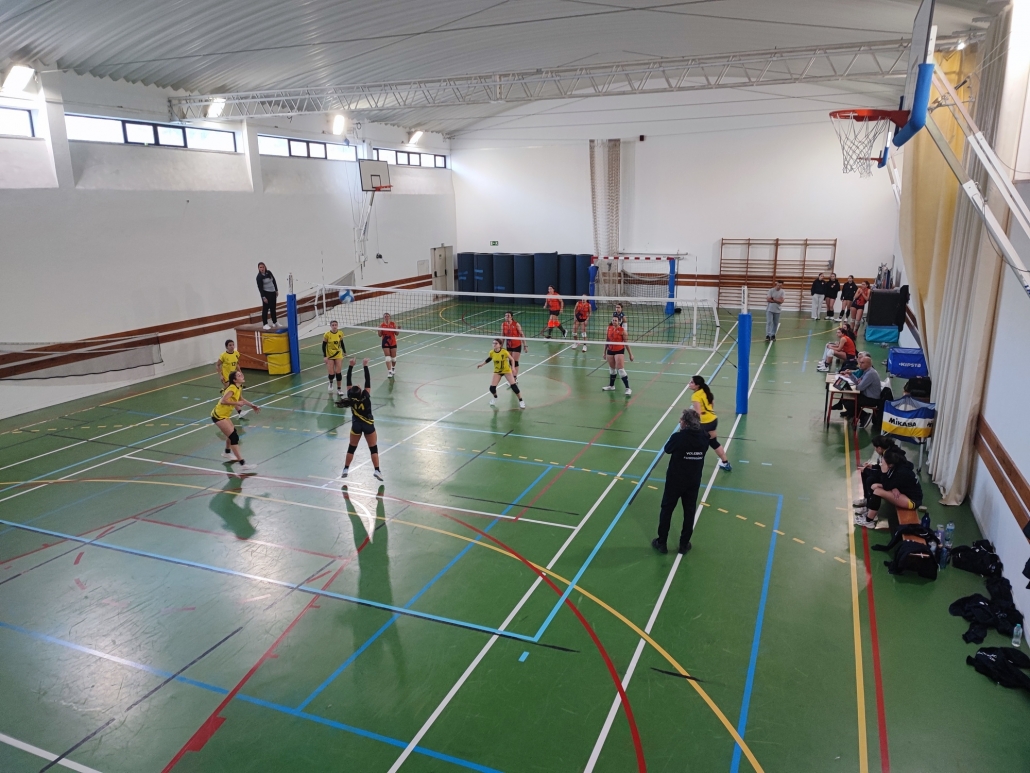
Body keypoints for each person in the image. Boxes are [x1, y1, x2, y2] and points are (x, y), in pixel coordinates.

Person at [652, 408, 709, 555]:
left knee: (667, 510)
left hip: (675, 481)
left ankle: (662, 543)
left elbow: (667, 449)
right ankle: (684, 545)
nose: (679, 421)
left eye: (681, 420)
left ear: (686, 423)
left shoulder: (678, 437)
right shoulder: (704, 436)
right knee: (689, 512)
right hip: (693, 481)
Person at [855, 446, 923, 529]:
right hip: (904, 493)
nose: (881, 464)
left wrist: (884, 473)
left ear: (890, 465)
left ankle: (869, 520)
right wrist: (894, 487)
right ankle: (869, 510)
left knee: (878, 491)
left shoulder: (901, 472)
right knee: (875, 486)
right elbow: (894, 482)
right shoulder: (898, 466)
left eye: (883, 463)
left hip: (912, 501)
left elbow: (887, 485)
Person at [338, 358, 384, 481]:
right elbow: (368, 380)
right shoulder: (365, 396)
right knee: (373, 448)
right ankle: (377, 470)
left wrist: (350, 366)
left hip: (356, 425)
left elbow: (348, 380)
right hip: (368, 425)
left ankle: (345, 469)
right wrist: (365, 366)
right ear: (361, 392)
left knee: (352, 448)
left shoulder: (350, 398)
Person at [212, 370, 260, 472]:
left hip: (225, 415)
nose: (241, 375)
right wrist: (236, 403)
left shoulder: (239, 387)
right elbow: (223, 401)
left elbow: (241, 399)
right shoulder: (232, 388)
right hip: (218, 415)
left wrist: (252, 405)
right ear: (234, 380)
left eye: (241, 374)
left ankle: (227, 452)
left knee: (232, 433)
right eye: (239, 375)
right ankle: (243, 464)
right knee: (234, 437)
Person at [689, 375, 731, 471]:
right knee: (713, 442)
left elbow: (698, 413)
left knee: (695, 443)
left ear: (697, 385)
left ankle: (693, 463)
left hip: (704, 423)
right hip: (713, 419)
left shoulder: (695, 396)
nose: (689, 384)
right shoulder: (705, 391)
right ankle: (725, 463)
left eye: (692, 382)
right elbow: (712, 404)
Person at [853, 435, 898, 515]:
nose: (875, 449)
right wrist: (872, 466)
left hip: (893, 480)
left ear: (879, 448)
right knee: (865, 473)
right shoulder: (887, 451)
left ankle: (870, 508)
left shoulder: (888, 456)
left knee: (870, 480)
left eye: (875, 448)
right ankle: (866, 499)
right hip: (890, 476)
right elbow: (882, 468)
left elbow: (883, 473)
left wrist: (867, 470)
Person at [477, 339, 526, 409]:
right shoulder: (491, 352)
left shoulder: (504, 352)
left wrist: (513, 368)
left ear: (500, 345)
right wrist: (482, 364)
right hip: (497, 371)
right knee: (492, 388)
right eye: (493, 343)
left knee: (514, 387)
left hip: (506, 371)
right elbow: (489, 359)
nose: (494, 344)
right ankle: (495, 397)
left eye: (496, 343)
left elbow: (512, 359)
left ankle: (521, 401)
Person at [837, 352, 882, 425]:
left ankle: (864, 416)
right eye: (860, 362)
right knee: (845, 398)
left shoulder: (870, 373)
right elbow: (858, 382)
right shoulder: (866, 371)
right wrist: (851, 375)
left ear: (869, 364)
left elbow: (859, 387)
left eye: (862, 363)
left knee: (848, 402)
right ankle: (853, 413)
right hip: (866, 395)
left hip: (871, 399)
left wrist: (853, 385)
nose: (860, 364)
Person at [602, 313, 633, 395]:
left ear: (619, 321)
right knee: (612, 369)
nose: (614, 321)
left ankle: (628, 388)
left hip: (619, 350)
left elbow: (626, 343)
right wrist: (604, 352)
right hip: (610, 350)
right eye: (613, 320)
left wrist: (630, 354)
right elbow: (607, 341)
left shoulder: (623, 331)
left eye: (616, 320)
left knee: (620, 369)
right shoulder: (609, 328)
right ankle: (611, 386)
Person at [215, 339, 244, 417]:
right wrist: (220, 375)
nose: (232, 346)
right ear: (226, 347)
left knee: (234, 393)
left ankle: (223, 392)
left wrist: (240, 372)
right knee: (232, 395)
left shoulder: (236, 353)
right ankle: (240, 412)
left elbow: (237, 364)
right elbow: (217, 365)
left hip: (234, 376)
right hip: (226, 377)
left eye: (233, 345)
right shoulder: (223, 355)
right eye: (230, 345)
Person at [501, 312, 528, 380]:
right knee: (510, 361)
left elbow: (522, 334)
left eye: (508, 316)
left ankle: (514, 378)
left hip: (517, 345)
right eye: (506, 316)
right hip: (509, 345)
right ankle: (512, 376)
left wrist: (525, 346)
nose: (507, 317)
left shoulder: (516, 324)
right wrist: (500, 346)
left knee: (515, 362)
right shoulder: (503, 324)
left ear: (511, 317)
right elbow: (502, 336)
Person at [323, 320, 346, 396]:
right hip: (330, 355)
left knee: (338, 372)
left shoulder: (340, 333)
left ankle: (339, 389)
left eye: (335, 325)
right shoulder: (327, 334)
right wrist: (325, 356)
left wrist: (344, 351)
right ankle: (330, 382)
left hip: (338, 354)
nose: (334, 326)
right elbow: (323, 346)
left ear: (337, 325)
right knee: (332, 374)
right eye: (333, 325)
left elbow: (342, 343)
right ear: (330, 326)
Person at [256, 262, 279, 330]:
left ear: (265, 267)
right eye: (260, 267)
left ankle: (275, 322)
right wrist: (263, 297)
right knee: (265, 309)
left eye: (263, 267)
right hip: (266, 294)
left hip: (273, 292)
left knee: (273, 308)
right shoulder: (259, 277)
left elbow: (274, 281)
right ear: (258, 268)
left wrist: (276, 290)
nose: (262, 269)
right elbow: (260, 288)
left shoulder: (269, 272)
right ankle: (265, 324)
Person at [377, 313, 399, 379]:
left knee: (394, 358)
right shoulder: (382, 325)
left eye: (387, 316)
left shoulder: (393, 324)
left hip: (393, 342)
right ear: (384, 317)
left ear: (389, 317)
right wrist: (379, 330)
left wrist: (398, 329)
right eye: (385, 316)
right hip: (385, 343)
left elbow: (397, 334)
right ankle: (389, 372)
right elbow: (380, 335)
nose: (386, 317)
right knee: (387, 358)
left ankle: (393, 368)